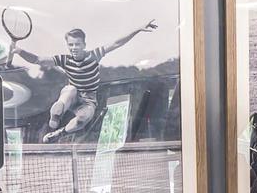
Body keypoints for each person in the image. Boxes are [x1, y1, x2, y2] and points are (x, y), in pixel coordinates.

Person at [13, 20, 159, 142]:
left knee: (83, 119)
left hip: (88, 99)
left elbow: (116, 43)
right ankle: (56, 115)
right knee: (70, 89)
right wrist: (19, 51)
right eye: (71, 45)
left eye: (77, 44)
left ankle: (60, 133)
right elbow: (38, 60)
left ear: (84, 44)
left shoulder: (93, 56)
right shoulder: (65, 59)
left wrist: (138, 29)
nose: (74, 48)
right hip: (72, 95)